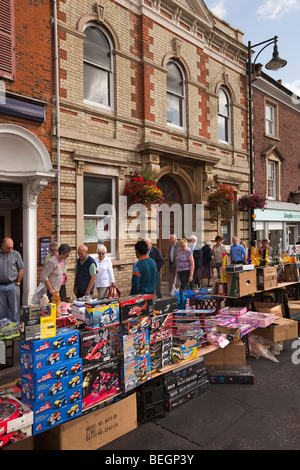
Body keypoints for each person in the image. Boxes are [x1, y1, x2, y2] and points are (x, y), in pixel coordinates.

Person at [0, 238, 24, 323]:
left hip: (13, 285)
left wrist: (18, 282)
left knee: (15, 309)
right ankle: (4, 328)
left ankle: (16, 328)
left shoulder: (16, 254)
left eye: (11, 248)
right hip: (1, 286)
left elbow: (21, 269)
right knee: (2, 310)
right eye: (8, 248)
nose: (10, 250)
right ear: (2, 246)